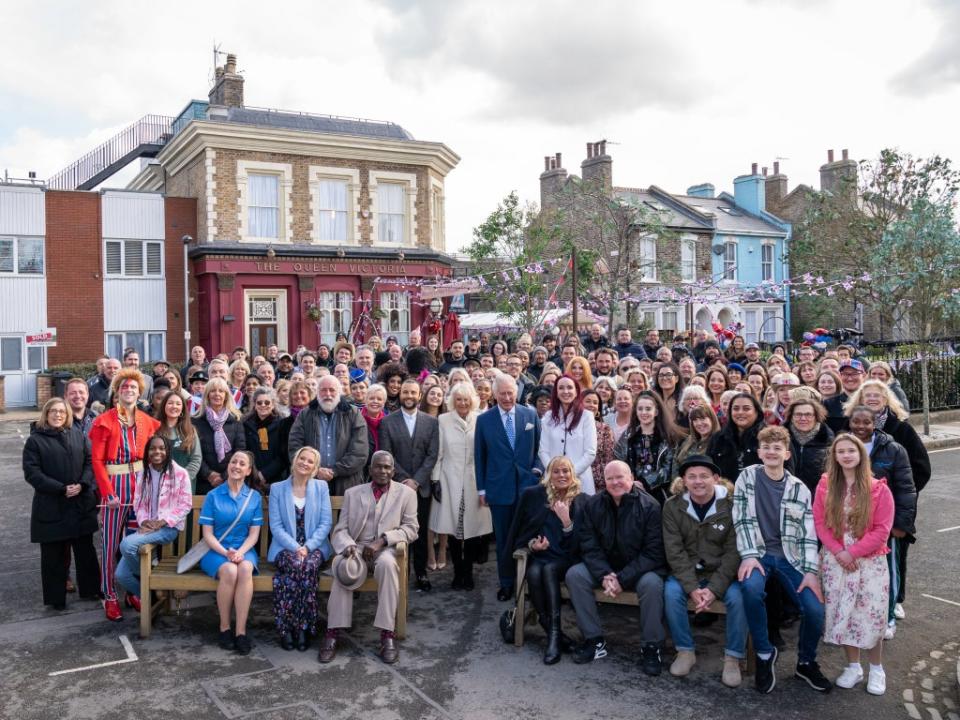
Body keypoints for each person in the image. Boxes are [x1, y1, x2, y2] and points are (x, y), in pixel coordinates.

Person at [733, 425, 831, 694]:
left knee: (814, 609)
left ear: (787, 454)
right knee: (750, 590)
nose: (771, 452)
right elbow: (741, 519)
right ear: (759, 452)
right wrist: (749, 555)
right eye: (766, 447)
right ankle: (765, 653)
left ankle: (806, 661)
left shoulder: (799, 489)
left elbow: (808, 535)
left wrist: (811, 572)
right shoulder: (747, 478)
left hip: (792, 559)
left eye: (777, 448)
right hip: (758, 554)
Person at [565, 460, 667, 675]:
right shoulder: (593, 505)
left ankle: (651, 646)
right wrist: (605, 574)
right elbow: (588, 545)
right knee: (575, 575)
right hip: (606, 569)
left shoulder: (650, 507)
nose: (615, 482)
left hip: (639, 570)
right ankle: (594, 639)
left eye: (620, 477)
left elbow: (653, 553)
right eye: (610, 478)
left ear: (631, 479)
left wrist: (622, 578)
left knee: (652, 584)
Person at [319, 451, 419, 665]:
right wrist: (348, 546)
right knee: (343, 567)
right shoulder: (353, 493)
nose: (383, 471)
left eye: (387, 467)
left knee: (388, 565)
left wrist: (383, 540)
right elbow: (341, 529)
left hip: (386, 549)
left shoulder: (407, 494)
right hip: (357, 548)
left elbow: (411, 529)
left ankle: (387, 635)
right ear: (370, 469)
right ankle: (332, 633)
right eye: (378, 467)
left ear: (393, 470)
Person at [813, 434, 894, 695]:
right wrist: (838, 552)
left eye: (852, 451)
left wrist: (853, 553)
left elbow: (882, 530)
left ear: (861, 455)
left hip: (868, 562)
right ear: (835, 457)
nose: (846, 455)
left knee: (869, 615)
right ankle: (853, 666)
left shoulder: (878, 488)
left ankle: (877, 669)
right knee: (843, 614)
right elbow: (820, 523)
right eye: (841, 451)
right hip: (835, 561)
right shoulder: (825, 485)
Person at [662, 455, 746, 687]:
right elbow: (674, 551)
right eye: (692, 477)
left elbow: (733, 552)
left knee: (739, 598)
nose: (698, 481)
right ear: (684, 480)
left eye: (704, 476)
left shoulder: (731, 505)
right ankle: (685, 651)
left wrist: (713, 589)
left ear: (716, 478)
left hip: (721, 573)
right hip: (688, 572)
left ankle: (732, 658)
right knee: (670, 593)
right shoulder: (672, 506)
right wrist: (691, 588)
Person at [89, 368, 161, 621]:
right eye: (124, 388)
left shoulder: (146, 420)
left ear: (139, 393)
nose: (128, 391)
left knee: (135, 544)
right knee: (109, 545)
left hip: (140, 484)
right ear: (117, 392)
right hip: (115, 486)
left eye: (133, 388)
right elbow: (96, 461)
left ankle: (132, 591)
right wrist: (107, 493)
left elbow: (153, 458)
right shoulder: (105, 420)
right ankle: (109, 595)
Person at [845, 405, 917, 641]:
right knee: (857, 574)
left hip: (883, 525)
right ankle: (856, 616)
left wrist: (901, 524)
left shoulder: (894, 449)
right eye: (856, 421)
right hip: (850, 525)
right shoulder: (842, 447)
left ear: (875, 423)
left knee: (887, 573)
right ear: (850, 422)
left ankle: (888, 618)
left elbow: (906, 489)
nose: (861, 426)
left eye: (866, 422)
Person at [23, 398, 100, 610]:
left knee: (85, 551)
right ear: (46, 414)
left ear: (67, 416)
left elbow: (89, 462)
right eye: (53, 411)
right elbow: (32, 473)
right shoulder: (35, 441)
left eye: (62, 412)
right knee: (53, 556)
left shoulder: (79, 436)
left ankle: (91, 588)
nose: (58, 415)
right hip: (51, 505)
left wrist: (83, 484)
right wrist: (61, 488)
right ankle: (56, 599)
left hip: (79, 503)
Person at [507, 456, 585, 664]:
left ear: (572, 474)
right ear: (549, 475)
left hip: (566, 559)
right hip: (541, 555)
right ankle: (554, 632)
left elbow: (580, 544)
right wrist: (533, 544)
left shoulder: (581, 499)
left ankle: (553, 636)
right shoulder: (535, 496)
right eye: (557, 471)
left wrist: (566, 520)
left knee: (548, 568)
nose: (562, 475)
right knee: (533, 571)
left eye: (566, 471)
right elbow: (522, 532)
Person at [475, 373, 543, 601]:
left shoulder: (530, 415)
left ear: (517, 392)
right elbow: (480, 457)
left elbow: (540, 451)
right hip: (499, 489)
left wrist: (537, 471)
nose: (507, 397)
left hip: (528, 488)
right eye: (502, 393)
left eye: (510, 393)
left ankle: (529, 583)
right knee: (503, 540)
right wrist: (482, 490)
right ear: (494, 395)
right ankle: (506, 583)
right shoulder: (484, 420)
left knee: (529, 537)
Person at [115, 434, 192, 611]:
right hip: (148, 528)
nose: (157, 452)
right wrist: (144, 521)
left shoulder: (180, 473)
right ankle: (149, 593)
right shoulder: (144, 473)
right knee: (121, 575)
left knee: (126, 545)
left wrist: (163, 521)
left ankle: (151, 578)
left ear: (167, 451)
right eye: (152, 448)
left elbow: (185, 505)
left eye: (161, 448)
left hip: (168, 528)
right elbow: (138, 503)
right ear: (147, 452)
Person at [198, 451, 265, 655]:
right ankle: (225, 627)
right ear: (228, 466)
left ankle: (241, 632)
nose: (236, 465)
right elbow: (207, 535)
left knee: (244, 569)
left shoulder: (254, 498)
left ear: (248, 471)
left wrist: (241, 552)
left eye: (242, 463)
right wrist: (226, 553)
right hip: (216, 550)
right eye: (233, 462)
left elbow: (254, 535)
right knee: (229, 571)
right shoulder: (213, 495)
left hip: (244, 550)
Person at [268, 446, 334, 652]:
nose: (305, 463)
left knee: (301, 568)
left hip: (314, 547)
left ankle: (296, 627)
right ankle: (295, 628)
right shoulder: (278, 488)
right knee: (298, 565)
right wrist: (296, 547)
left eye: (310, 461)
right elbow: (276, 526)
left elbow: (325, 523)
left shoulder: (321, 487)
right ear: (295, 461)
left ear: (315, 467)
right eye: (302, 459)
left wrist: (308, 547)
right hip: (284, 547)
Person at [429, 382, 492, 590]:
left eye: (466, 399)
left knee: (474, 530)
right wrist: (436, 479)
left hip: (475, 479)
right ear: (453, 401)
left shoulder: (481, 419)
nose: (463, 403)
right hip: (450, 478)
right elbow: (438, 452)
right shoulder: (443, 420)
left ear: (472, 400)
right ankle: (457, 573)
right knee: (454, 529)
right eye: (458, 399)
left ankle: (468, 571)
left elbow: (485, 451)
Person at [378, 379, 440, 592]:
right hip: (396, 486)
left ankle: (420, 572)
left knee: (420, 533)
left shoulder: (432, 422)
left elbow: (432, 455)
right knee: (396, 531)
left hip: (421, 487)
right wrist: (405, 480)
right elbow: (387, 454)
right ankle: (398, 573)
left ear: (419, 395)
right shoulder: (387, 422)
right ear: (400, 394)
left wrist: (417, 480)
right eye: (405, 392)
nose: (409, 396)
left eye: (413, 392)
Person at [287, 375, 369, 496]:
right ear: (317, 392)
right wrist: (316, 470)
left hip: (347, 484)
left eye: (332, 390)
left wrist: (335, 471)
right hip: (310, 481)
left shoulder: (353, 414)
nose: (328, 394)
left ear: (339, 392)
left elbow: (360, 452)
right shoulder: (305, 414)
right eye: (323, 390)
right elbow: (295, 447)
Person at [614, 390, 686, 506]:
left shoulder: (668, 438)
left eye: (648, 409)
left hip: (660, 496)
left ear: (656, 412)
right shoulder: (628, 436)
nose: (643, 412)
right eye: (640, 409)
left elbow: (668, 469)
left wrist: (644, 482)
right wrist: (628, 481)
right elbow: (618, 461)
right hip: (631, 493)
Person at [539, 375, 598, 494]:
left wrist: (570, 474)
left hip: (580, 481)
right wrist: (555, 474)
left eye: (570, 388)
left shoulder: (586, 416)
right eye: (561, 388)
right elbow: (543, 451)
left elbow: (590, 452)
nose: (566, 391)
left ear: (576, 392)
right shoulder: (548, 417)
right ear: (556, 392)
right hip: (553, 482)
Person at [193, 378, 246, 495]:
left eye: (221, 391)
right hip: (204, 482)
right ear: (207, 395)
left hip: (231, 480)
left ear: (226, 395)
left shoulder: (236, 420)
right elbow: (194, 452)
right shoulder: (196, 421)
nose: (217, 394)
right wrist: (209, 474)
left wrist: (224, 476)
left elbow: (240, 451)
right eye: (213, 391)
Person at [708, 393, 769, 485]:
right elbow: (709, 469)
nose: (740, 412)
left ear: (757, 412)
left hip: (760, 495)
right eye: (736, 409)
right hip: (726, 495)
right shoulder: (718, 439)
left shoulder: (769, 438)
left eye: (746, 408)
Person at [786, 398, 834, 495]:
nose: (803, 418)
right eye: (798, 414)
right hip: (785, 496)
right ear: (791, 417)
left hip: (817, 498)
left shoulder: (829, 442)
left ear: (816, 417)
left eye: (808, 414)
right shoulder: (781, 439)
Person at [156, 391, 202, 491]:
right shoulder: (154, 429)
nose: (174, 406)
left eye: (178, 403)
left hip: (184, 486)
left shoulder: (190, 431)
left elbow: (196, 459)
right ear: (164, 406)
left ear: (182, 408)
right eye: (170, 403)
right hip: (159, 484)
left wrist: (182, 479)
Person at [243, 387, 289, 485]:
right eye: (259, 403)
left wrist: (264, 474)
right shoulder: (245, 425)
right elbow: (245, 451)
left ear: (272, 405)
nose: (263, 405)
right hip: (251, 478)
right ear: (255, 405)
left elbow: (283, 455)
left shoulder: (283, 424)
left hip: (278, 479)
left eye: (267, 402)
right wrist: (255, 474)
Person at [671, 404, 720, 480]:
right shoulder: (687, 441)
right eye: (695, 420)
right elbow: (676, 462)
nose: (699, 423)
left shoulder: (719, 442)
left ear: (712, 419)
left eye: (702, 418)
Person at [581, 389, 615, 493]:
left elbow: (608, 458)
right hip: (575, 478)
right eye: (588, 401)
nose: (592, 405)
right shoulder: (572, 427)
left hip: (597, 483)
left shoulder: (605, 429)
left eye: (595, 403)